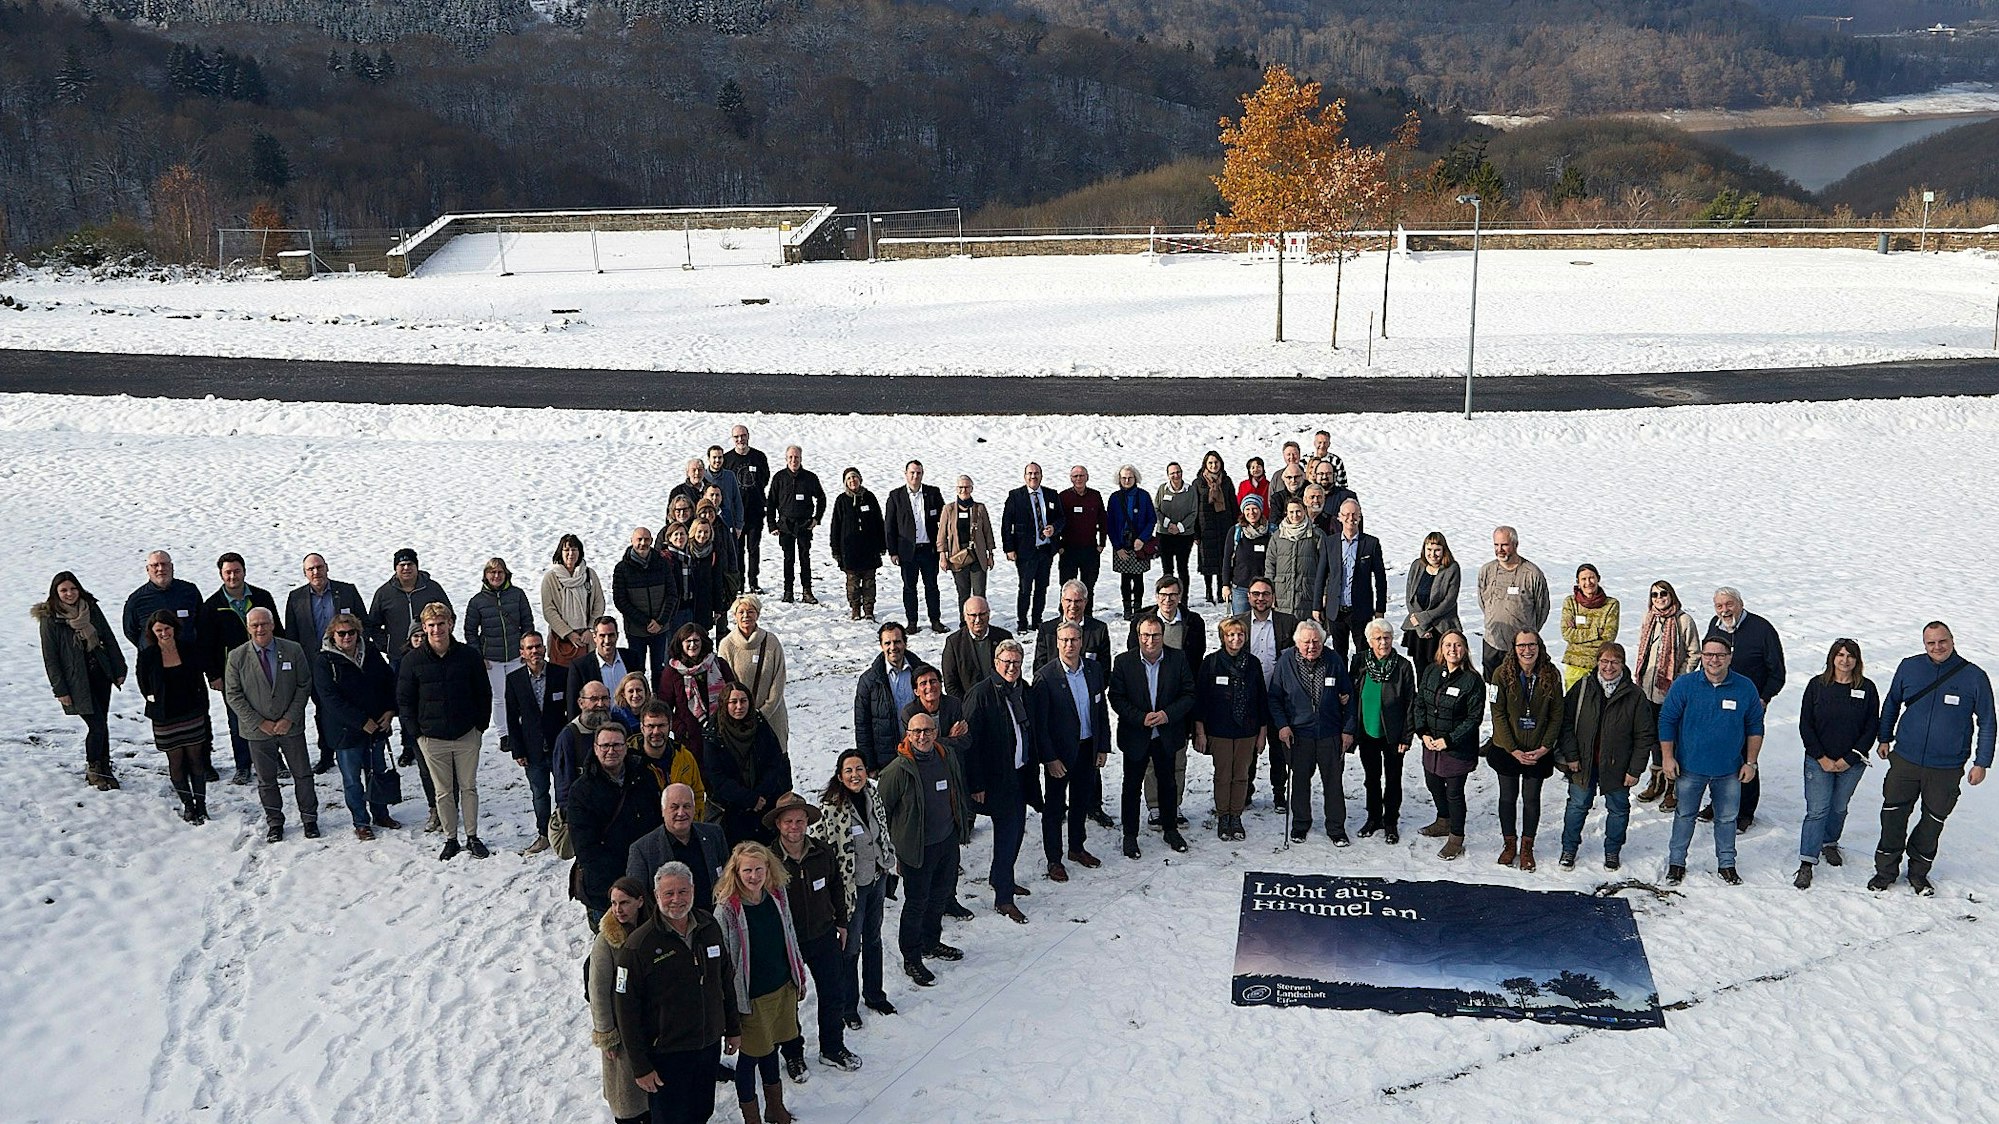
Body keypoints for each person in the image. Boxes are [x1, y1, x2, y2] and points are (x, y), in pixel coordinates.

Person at [1870, 622, 1995, 896]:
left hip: (1946, 767)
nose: (1937, 647)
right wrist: (1884, 737)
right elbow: (1892, 702)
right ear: (1923, 644)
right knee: (1893, 815)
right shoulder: (1909, 667)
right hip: (1905, 759)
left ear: (1952, 640)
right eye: (1931, 643)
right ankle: (1885, 871)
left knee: (1933, 820)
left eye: (1942, 641)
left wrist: (1981, 762)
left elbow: (1988, 721)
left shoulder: (1974, 676)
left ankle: (1918, 873)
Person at [615, 864, 740, 1124]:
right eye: (668, 893)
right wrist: (640, 1066)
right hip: (667, 1054)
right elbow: (625, 1011)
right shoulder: (639, 946)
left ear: (692, 891)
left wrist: (732, 1027)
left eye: (682, 891)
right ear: (656, 895)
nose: (676, 899)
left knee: (701, 1112)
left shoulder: (708, 926)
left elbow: (725, 979)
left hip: (707, 1046)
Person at [1659, 636, 1766, 886]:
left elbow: (1755, 726)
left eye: (1719, 655)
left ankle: (1727, 863)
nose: (1713, 660)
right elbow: (1667, 721)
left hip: (1729, 770)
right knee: (1685, 815)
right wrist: (1667, 757)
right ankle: (1676, 863)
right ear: (1702, 657)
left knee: (1727, 818)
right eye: (1708, 655)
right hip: (1689, 768)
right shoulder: (1685, 685)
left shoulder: (1745, 687)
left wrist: (1751, 762)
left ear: (1729, 657)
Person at [877, 710, 971, 986]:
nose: (922, 736)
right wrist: (893, 852)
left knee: (940, 897)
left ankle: (932, 942)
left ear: (935, 732)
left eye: (928, 731)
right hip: (917, 849)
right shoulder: (897, 770)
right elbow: (883, 812)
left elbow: (955, 790)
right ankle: (912, 957)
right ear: (908, 734)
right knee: (916, 904)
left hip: (946, 842)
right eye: (916, 732)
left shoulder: (945, 756)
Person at [767, 793, 860, 1074]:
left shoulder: (823, 852)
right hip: (786, 943)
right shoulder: (767, 860)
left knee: (833, 993)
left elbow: (837, 887)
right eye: (788, 821)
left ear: (807, 821)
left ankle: (832, 1047)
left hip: (823, 936)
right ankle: (793, 1053)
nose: (794, 826)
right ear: (779, 824)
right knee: (788, 1003)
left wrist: (842, 923)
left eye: (799, 820)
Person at [712, 843, 804, 1124]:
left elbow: (790, 933)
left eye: (759, 869)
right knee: (750, 1058)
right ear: (736, 872)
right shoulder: (727, 909)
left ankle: (775, 1108)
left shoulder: (777, 895)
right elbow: (724, 963)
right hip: (750, 998)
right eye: (747, 870)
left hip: (780, 987)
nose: (754, 876)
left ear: (768, 869)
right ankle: (751, 1118)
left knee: (772, 1048)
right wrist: (731, 1006)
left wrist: (798, 973)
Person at [399, 601, 492, 859]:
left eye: (441, 624)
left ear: (450, 624)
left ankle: (472, 836)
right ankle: (451, 838)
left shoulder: (468, 655)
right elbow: (405, 700)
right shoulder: (412, 660)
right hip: (432, 737)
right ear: (424, 627)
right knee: (443, 791)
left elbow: (484, 692)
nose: (437, 630)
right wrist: (417, 734)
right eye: (431, 625)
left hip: (466, 734)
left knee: (468, 786)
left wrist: (480, 726)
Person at [1553, 643, 1656, 871]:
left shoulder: (1634, 695)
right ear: (1597, 662)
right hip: (1583, 763)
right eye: (1604, 661)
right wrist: (1570, 755)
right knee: (1577, 806)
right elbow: (1566, 724)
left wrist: (1635, 770)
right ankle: (1569, 848)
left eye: (1615, 662)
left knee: (1618, 809)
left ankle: (1612, 850)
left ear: (1622, 664)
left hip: (1618, 766)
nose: (1609, 667)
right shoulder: (1582, 688)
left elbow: (1644, 735)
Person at [813, 750, 899, 1015]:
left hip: (876, 878)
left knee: (873, 939)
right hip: (851, 888)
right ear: (840, 776)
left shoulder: (873, 796)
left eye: (859, 769)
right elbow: (819, 846)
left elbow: (882, 829)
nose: (855, 775)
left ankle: (874, 995)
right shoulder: (830, 808)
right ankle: (848, 1006)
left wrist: (888, 860)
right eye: (849, 771)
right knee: (850, 947)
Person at [223, 606, 319, 842]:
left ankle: (309, 819)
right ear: (248, 628)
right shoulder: (237, 657)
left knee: (303, 775)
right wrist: (259, 722)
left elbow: (304, 684)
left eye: (264, 623)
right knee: (266, 780)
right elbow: (233, 694)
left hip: (290, 727)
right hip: (258, 732)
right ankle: (275, 822)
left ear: (272, 624)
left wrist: (289, 717)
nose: (260, 629)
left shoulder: (292, 650)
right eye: (254, 625)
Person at [368, 547, 450, 815]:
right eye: (401, 565)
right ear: (395, 568)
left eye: (410, 565)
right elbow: (372, 625)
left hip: (430, 654)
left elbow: (449, 615)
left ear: (417, 567)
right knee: (404, 702)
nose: (406, 569)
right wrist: (388, 644)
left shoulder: (431, 588)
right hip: (399, 657)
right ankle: (409, 745)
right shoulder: (385, 593)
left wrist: (440, 640)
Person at [1794, 638, 1878, 889]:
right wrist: (1821, 757)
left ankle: (1829, 842)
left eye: (1850, 655)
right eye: (1840, 655)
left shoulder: (1867, 688)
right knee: (1817, 809)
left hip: (1851, 762)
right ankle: (1807, 861)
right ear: (1832, 658)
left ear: (1857, 660)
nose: (1845, 660)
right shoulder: (1817, 686)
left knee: (1839, 807)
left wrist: (1849, 759)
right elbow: (1805, 725)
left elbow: (1871, 726)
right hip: (1818, 760)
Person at [1110, 616, 1195, 858]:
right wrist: (1140, 718)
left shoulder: (1177, 659)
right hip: (1136, 735)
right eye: (1146, 635)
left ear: (1163, 635)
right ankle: (1130, 835)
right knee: (1131, 787)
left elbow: (1189, 694)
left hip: (1166, 734)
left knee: (1168, 784)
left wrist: (1168, 715)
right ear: (1138, 636)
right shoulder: (1124, 662)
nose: (1151, 640)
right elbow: (1116, 697)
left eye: (1156, 635)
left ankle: (1170, 829)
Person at [965, 640, 1038, 922]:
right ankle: (1004, 898)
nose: (1011, 667)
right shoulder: (981, 694)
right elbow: (970, 743)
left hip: (1020, 773)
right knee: (1008, 835)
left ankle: (1000, 877)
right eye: (1006, 662)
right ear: (996, 663)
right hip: (996, 780)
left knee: (1016, 832)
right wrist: (976, 784)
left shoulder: (1023, 690)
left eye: (1016, 663)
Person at [35, 571, 129, 790]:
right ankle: (94, 768)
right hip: (75, 681)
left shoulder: (90, 608)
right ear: (56, 593)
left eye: (73, 588)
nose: (69, 594)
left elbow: (108, 637)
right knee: (96, 725)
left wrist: (118, 667)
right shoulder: (50, 618)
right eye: (64, 590)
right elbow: (51, 657)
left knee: (102, 722)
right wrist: (60, 690)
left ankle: (105, 766)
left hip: (100, 675)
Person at [1031, 622, 1109, 881]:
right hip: (1060, 754)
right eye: (1064, 640)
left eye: (1074, 640)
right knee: (1054, 807)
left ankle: (1077, 847)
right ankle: (1054, 859)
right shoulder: (1046, 677)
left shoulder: (1094, 670)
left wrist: (1102, 746)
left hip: (1087, 748)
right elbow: (1040, 725)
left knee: (1081, 801)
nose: (1069, 645)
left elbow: (1100, 711)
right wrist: (1050, 758)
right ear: (1056, 642)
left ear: (1082, 641)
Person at [1704, 587, 1786, 832]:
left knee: (1746, 756)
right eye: (1719, 606)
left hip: (1749, 705)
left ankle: (1745, 811)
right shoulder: (1715, 625)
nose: (1724, 610)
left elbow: (1777, 672)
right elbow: (1707, 660)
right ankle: (1717, 802)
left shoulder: (1762, 629)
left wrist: (1763, 698)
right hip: (1717, 703)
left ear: (1740, 604)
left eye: (1729, 604)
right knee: (1718, 752)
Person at [569, 722, 666, 929]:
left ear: (626, 747)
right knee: (611, 948)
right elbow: (586, 848)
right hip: (604, 890)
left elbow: (657, 826)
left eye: (617, 745)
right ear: (595, 748)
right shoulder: (581, 790)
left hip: (644, 883)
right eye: (605, 746)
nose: (611, 751)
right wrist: (621, 887)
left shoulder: (644, 776)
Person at [1126, 576, 1206, 825]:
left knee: (1177, 757)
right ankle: (1155, 806)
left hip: (1179, 702)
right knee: (1151, 759)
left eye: (1172, 594)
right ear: (1156, 596)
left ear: (1180, 596)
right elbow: (1132, 658)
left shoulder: (1193, 622)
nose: (1168, 599)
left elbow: (1197, 660)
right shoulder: (1142, 621)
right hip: (1149, 700)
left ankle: (1175, 804)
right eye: (1163, 594)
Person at [314, 611, 400, 841]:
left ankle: (381, 814)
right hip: (346, 733)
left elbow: (387, 681)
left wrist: (390, 711)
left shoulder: (369, 652)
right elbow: (331, 700)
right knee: (352, 781)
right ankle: (361, 821)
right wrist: (361, 722)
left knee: (377, 773)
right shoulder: (324, 661)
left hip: (376, 728)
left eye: (351, 632)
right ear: (333, 635)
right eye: (341, 633)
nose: (347, 637)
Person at [284, 554, 367, 778]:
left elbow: (363, 624)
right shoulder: (296, 598)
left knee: (352, 704)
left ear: (327, 568)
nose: (315, 572)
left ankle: (357, 748)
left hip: (347, 661)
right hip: (314, 665)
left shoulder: (346, 591)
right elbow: (291, 636)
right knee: (323, 710)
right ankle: (327, 753)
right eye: (310, 569)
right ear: (304, 573)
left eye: (319, 567)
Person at [1271, 619, 1353, 844]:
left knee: (1333, 783)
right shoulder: (1286, 661)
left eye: (1316, 642)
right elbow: (1275, 698)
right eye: (1306, 642)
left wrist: (1348, 729)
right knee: (1299, 782)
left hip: (1330, 733)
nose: (1311, 646)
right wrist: (1282, 725)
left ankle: (1336, 828)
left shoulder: (1334, 659)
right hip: (1299, 734)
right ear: (1297, 642)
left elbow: (1349, 696)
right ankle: (1300, 825)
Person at [201, 553, 283, 778]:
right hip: (232, 673)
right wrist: (214, 675)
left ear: (244, 571)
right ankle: (243, 765)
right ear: (221, 575)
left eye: (236, 571)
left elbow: (278, 630)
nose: (232, 576)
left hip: (266, 667)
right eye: (228, 572)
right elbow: (206, 645)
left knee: (270, 713)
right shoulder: (212, 606)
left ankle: (275, 760)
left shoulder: (261, 597)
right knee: (238, 719)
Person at [1487, 630, 1562, 872]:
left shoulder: (1551, 675)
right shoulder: (1501, 674)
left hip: (1537, 751)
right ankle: (1509, 844)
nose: (1527, 650)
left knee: (1531, 799)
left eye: (1532, 645)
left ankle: (1527, 846)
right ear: (1514, 648)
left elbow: (1557, 715)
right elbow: (1497, 713)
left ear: (1539, 647)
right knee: (1508, 798)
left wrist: (1545, 747)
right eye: (1522, 645)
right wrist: (1512, 748)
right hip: (1507, 750)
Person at [134, 609, 212, 822]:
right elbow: (143, 683)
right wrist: (153, 700)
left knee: (197, 760)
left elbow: (199, 679)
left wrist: (203, 708)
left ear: (174, 628)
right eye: (159, 630)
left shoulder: (188, 649)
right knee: (176, 762)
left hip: (191, 713)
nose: (164, 633)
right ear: (152, 631)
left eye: (167, 629)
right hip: (165, 718)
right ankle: (188, 804)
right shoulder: (148, 655)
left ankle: (201, 804)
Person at [588, 876, 655, 1124]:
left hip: (653, 1023)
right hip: (623, 1030)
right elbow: (598, 991)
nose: (618, 909)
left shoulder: (653, 931)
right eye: (614, 903)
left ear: (639, 902)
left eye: (624, 903)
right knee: (628, 1099)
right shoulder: (606, 941)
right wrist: (607, 1034)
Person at [1195, 615, 1267, 841]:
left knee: (1241, 775)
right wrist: (1200, 731)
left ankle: (1236, 815)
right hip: (1219, 730)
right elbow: (1201, 700)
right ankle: (1223, 815)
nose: (1236, 639)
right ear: (1223, 637)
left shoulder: (1253, 663)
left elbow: (1261, 699)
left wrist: (1262, 732)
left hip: (1247, 730)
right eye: (1231, 635)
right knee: (1223, 775)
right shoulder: (1211, 662)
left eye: (1240, 634)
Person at [1415, 630, 1484, 859]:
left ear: (1464, 649)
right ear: (1441, 649)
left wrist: (1449, 740)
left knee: (1454, 792)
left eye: (1457, 645)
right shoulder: (1431, 671)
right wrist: (1423, 732)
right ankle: (1443, 820)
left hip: (1456, 748)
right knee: (1433, 784)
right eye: (1447, 645)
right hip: (1431, 744)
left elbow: (1473, 719)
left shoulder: (1472, 680)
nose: (1452, 649)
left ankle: (1456, 837)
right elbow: (1420, 703)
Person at [1346, 619, 1416, 845]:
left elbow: (1410, 703)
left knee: (1393, 779)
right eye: (1378, 638)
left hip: (1393, 734)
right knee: (1371, 778)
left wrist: (1406, 736)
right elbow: (1351, 692)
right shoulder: (1359, 662)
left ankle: (1391, 821)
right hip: (1368, 730)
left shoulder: (1403, 666)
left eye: (1387, 637)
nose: (1383, 642)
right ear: (1369, 641)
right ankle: (1374, 817)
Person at [1631, 579, 1699, 807]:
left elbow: (1694, 653)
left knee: (1671, 738)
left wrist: (1680, 680)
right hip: (1647, 689)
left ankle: (1673, 785)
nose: (1659, 598)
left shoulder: (1683, 620)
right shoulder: (1649, 618)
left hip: (1671, 691)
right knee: (1652, 737)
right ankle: (1656, 779)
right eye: (1654, 595)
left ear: (1671, 595)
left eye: (1663, 593)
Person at [704, 684, 793, 847]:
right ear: (725, 704)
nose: (739, 706)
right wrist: (748, 799)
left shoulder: (760, 725)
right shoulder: (714, 733)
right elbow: (716, 776)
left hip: (764, 806)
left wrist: (760, 795)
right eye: (733, 702)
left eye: (743, 701)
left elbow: (774, 762)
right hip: (732, 812)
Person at [504, 631, 567, 853]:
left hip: (559, 748)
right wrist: (517, 749)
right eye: (529, 648)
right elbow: (512, 717)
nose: (535, 651)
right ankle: (543, 834)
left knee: (563, 792)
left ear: (545, 648)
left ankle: (564, 832)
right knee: (540, 794)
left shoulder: (562, 674)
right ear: (522, 652)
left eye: (538, 646)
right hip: (532, 750)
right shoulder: (514, 680)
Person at [466, 556, 534, 745]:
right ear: (486, 575)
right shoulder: (477, 601)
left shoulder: (517, 595)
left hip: (516, 655)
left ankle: (521, 728)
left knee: (519, 694)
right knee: (498, 697)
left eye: (500, 572)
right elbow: (470, 631)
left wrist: (525, 649)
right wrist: (479, 656)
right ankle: (504, 734)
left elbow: (527, 622)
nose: (496, 576)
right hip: (492, 658)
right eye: (492, 572)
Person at [1241, 577, 1297, 810]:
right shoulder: (1239, 623)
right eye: (1256, 594)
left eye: (1265, 594)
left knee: (1278, 748)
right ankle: (1246, 791)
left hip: (1278, 696)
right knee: (1248, 748)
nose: (1260, 598)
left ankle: (1279, 793)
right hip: (1248, 698)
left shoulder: (1288, 622)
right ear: (1248, 597)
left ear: (1273, 597)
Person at [628, 783, 728, 909]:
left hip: (713, 922)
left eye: (686, 806)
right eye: (674, 807)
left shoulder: (714, 834)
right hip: (670, 925)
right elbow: (637, 899)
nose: (681, 813)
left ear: (694, 808)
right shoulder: (642, 850)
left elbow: (728, 879)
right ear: (663, 810)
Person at [1312, 498, 1386, 664]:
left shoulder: (1371, 544)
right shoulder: (1330, 543)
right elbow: (1321, 576)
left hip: (1360, 609)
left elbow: (1380, 579)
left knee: (1363, 653)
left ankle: (1359, 687)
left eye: (1354, 515)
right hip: (1336, 610)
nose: (1350, 518)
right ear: (1339, 517)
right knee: (1339, 653)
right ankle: (1341, 688)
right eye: (1346, 514)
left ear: (1360, 517)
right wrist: (1317, 606)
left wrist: (1380, 609)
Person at [718, 594, 790, 752]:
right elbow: (726, 684)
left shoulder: (771, 641)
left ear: (757, 614)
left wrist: (765, 712)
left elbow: (779, 679)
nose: (746, 616)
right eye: (741, 612)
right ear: (735, 616)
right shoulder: (726, 645)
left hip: (772, 716)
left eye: (750, 611)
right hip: (740, 717)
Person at [855, 622, 929, 772]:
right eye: (887, 643)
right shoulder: (869, 681)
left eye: (897, 642)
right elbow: (863, 727)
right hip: (887, 760)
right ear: (881, 646)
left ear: (905, 643)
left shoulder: (922, 673)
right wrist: (869, 764)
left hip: (921, 753)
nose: (893, 647)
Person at [1475, 526, 1549, 677]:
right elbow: (1483, 602)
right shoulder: (1486, 571)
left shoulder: (1532, 573)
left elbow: (1542, 608)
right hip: (1492, 644)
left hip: (1522, 649)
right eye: (1496, 545)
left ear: (1515, 544)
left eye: (1504, 545)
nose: (1500, 549)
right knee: (1493, 689)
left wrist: (1527, 635)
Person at [1000, 462, 1063, 631]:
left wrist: (1054, 528)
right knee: (1025, 588)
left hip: (1045, 550)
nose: (1033, 476)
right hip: (1025, 551)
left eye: (1036, 473)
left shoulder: (1051, 495)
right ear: (1025, 476)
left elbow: (1061, 518)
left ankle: (1037, 621)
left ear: (1041, 475)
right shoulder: (1015, 496)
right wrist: (1009, 548)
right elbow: (1007, 524)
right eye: (1030, 473)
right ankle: (1022, 622)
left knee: (1042, 588)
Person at [659, 623, 736, 756]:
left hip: (721, 733)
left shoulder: (719, 665)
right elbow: (664, 707)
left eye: (696, 640)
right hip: (690, 739)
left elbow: (734, 695)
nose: (692, 645)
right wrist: (680, 729)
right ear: (680, 643)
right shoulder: (671, 672)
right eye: (688, 641)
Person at [613, 527, 677, 682]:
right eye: (639, 539)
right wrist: (646, 622)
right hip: (636, 631)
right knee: (637, 670)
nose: (643, 543)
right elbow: (620, 601)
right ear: (632, 541)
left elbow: (672, 594)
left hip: (660, 630)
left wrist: (660, 621)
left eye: (646, 539)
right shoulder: (622, 568)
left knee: (660, 670)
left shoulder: (662, 564)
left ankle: (660, 703)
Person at [766, 444, 826, 605]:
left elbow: (821, 498)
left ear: (801, 458)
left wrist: (816, 519)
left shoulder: (810, 477)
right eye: (791, 457)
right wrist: (772, 524)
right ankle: (788, 591)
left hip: (804, 525)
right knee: (788, 559)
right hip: (785, 525)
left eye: (797, 457)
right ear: (786, 459)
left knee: (805, 558)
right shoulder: (779, 477)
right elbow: (771, 501)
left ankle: (807, 591)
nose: (794, 460)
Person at [633, 705, 709, 829]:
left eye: (661, 726)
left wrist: (692, 825)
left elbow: (698, 794)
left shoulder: (684, 757)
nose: (656, 732)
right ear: (642, 728)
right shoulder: (630, 761)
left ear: (670, 726)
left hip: (681, 832)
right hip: (644, 836)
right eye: (651, 726)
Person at [937, 474, 995, 628]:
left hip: (978, 556)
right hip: (958, 557)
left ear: (972, 488)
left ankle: (982, 622)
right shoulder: (948, 509)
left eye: (967, 487)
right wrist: (943, 556)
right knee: (963, 593)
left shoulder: (980, 508)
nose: (964, 490)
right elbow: (941, 535)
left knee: (979, 593)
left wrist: (990, 554)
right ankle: (965, 623)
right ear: (956, 489)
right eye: (961, 487)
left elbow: (987, 532)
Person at [828, 466, 885, 621]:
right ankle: (855, 608)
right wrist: (835, 549)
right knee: (852, 583)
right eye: (849, 479)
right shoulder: (841, 500)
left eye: (855, 477)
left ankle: (868, 609)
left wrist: (882, 544)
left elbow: (879, 521)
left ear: (860, 479)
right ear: (845, 482)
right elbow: (836, 526)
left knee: (869, 582)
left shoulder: (869, 497)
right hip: (849, 550)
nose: (852, 481)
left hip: (869, 549)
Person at [540, 533, 604, 669]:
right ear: (560, 552)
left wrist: (590, 628)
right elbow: (549, 610)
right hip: (561, 640)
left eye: (574, 549)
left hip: (586, 638)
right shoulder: (551, 578)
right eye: (566, 550)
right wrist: (568, 633)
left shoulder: (589, 575)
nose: (570, 554)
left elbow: (598, 603)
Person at [1401, 532, 1461, 670]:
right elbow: (1410, 597)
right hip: (1418, 628)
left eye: (1437, 550)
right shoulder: (1417, 565)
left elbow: (1448, 601)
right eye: (1429, 550)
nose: (1433, 554)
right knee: (1420, 668)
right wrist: (1420, 626)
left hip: (1440, 627)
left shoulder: (1452, 569)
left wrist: (1424, 619)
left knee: (1439, 669)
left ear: (1443, 550)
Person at [122, 550, 203, 653]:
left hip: (187, 658)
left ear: (172, 567)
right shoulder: (137, 599)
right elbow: (130, 631)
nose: (160, 569)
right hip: (153, 661)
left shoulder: (189, 591)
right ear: (147, 569)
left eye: (164, 564)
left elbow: (202, 622)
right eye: (155, 565)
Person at [724, 424, 773, 592]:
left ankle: (754, 582)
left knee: (753, 549)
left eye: (743, 436)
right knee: (737, 550)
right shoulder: (727, 459)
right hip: (735, 514)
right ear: (733, 439)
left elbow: (765, 478)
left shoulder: (759, 457)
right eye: (736, 437)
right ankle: (739, 584)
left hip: (755, 511)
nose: (740, 440)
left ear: (748, 436)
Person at [1105, 464, 1156, 620]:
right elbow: (1110, 523)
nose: (1127, 480)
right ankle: (1127, 608)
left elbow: (1152, 519)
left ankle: (1138, 607)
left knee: (1139, 578)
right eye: (1124, 478)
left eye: (1130, 477)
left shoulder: (1144, 496)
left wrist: (1142, 539)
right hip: (1122, 544)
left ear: (1136, 478)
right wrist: (1117, 546)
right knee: (1125, 578)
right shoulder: (1114, 498)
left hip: (1139, 544)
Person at [555, 680, 615, 810]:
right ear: (581, 703)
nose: (600, 704)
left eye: (604, 698)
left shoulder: (619, 726)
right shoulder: (569, 736)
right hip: (585, 808)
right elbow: (564, 785)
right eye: (594, 699)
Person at [1558, 564, 1620, 690]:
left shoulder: (1611, 604)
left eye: (1591, 578)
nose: (1588, 582)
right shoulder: (1570, 602)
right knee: (1574, 705)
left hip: (1600, 666)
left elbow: (1609, 637)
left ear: (1598, 578)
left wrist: (1578, 633)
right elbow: (1567, 633)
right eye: (1583, 579)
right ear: (1578, 582)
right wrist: (1597, 632)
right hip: (1574, 664)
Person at [1033, 580, 1113, 676]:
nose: (1073, 606)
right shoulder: (1047, 630)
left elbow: (1104, 669)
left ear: (1085, 602)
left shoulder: (1099, 630)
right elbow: (1040, 667)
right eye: (1068, 600)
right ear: (1062, 601)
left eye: (1078, 601)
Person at [1056, 465, 1108, 608]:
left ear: (1087, 477)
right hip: (1068, 550)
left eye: (1081, 476)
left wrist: (1102, 543)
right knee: (1067, 586)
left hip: (1090, 549)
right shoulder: (1063, 497)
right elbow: (1056, 521)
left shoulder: (1095, 495)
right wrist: (1058, 546)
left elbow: (1103, 519)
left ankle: (1088, 616)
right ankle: (1065, 616)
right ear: (1071, 478)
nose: (1078, 479)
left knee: (1088, 586)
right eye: (1075, 476)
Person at [1266, 498, 1325, 623]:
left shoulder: (1316, 535)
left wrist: (1324, 593)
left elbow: (1326, 567)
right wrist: (1269, 591)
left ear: (1304, 511)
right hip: (1282, 593)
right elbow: (1270, 565)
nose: (1295, 515)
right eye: (1291, 512)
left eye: (1298, 511)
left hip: (1308, 592)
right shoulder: (1278, 536)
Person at [940, 596, 1012, 699]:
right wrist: (967, 705)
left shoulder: (1003, 637)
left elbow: (1013, 671)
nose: (978, 620)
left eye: (982, 614)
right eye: (973, 615)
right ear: (965, 616)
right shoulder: (954, 643)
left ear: (989, 614)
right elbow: (950, 684)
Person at [568, 616, 639, 720]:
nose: (607, 641)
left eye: (611, 635)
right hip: (597, 726)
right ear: (594, 637)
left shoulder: (632, 658)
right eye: (602, 636)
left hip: (630, 724)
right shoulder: (580, 666)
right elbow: (573, 707)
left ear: (617, 636)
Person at [1193, 451, 1236, 607]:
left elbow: (1232, 503)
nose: (1213, 465)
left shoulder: (1226, 481)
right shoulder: (1198, 483)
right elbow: (1194, 507)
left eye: (1216, 462)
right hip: (1205, 526)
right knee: (1207, 560)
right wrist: (1195, 532)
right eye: (1210, 463)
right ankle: (1208, 591)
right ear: (1205, 464)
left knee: (1222, 559)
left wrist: (1235, 525)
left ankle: (1220, 589)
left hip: (1224, 525)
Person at [1153, 461, 1198, 589]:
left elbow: (1194, 511)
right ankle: (1168, 594)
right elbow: (1156, 509)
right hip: (1164, 535)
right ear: (1168, 475)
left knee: (1182, 568)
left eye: (1178, 472)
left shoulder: (1190, 490)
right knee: (1167, 569)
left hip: (1184, 535)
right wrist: (1168, 524)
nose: (1176, 475)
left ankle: (1183, 600)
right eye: (1172, 473)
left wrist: (1180, 527)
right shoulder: (1163, 489)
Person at [1222, 495, 1269, 616]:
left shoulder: (1270, 531)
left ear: (1260, 510)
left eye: (1255, 509)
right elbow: (1227, 559)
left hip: (1263, 590)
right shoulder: (1236, 531)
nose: (1251, 513)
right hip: (1241, 588)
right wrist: (1225, 585)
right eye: (1248, 509)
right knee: (1241, 625)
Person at [611, 672, 654, 740]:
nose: (635, 695)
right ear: (623, 694)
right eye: (631, 691)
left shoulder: (655, 712)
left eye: (639, 690)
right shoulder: (616, 716)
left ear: (646, 692)